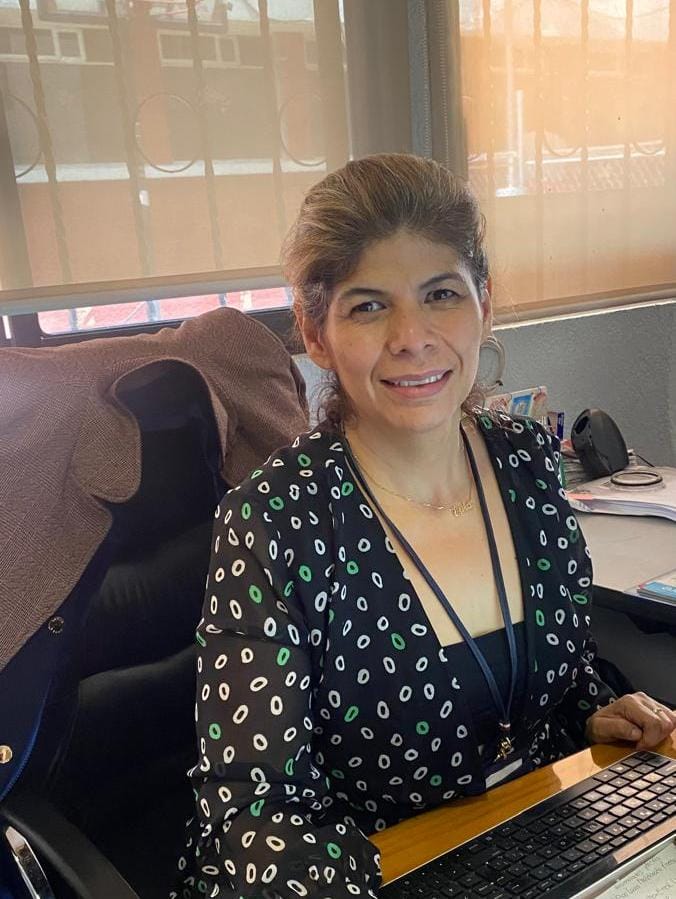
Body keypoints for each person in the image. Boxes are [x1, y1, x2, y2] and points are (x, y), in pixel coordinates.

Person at [173, 154, 676, 899]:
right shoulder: (276, 519)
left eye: (440, 293)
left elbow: (560, 681)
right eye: (368, 306)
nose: (412, 336)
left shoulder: (528, 464)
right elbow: (252, 817)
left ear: (484, 304)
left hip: (537, 845)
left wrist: (594, 714)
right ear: (315, 333)